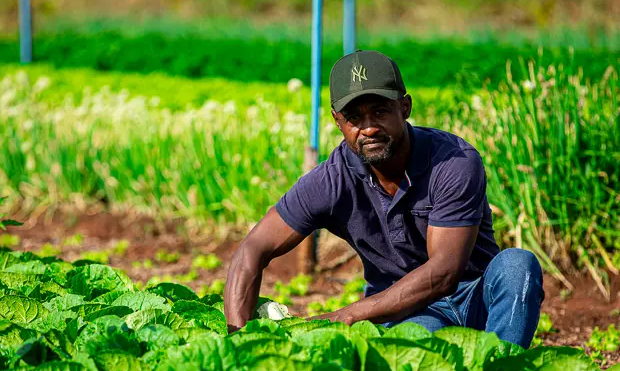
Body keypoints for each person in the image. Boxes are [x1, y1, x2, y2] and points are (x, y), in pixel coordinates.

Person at [223, 50, 544, 348]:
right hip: (409, 314)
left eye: (379, 111)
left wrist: (345, 316)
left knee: (518, 266)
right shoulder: (332, 180)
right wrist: (240, 338)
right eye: (354, 118)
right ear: (338, 121)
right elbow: (253, 248)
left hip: (476, 298)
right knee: (421, 340)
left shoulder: (453, 161)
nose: (369, 128)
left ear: (405, 107)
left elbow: (445, 273)